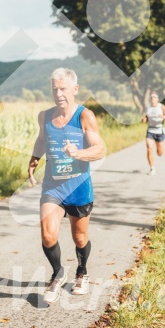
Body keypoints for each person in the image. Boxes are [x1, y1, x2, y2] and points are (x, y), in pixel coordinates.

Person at [27, 68, 105, 304]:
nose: (58, 93)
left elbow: (100, 148)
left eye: (63, 88)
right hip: (53, 186)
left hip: (79, 186)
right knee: (48, 234)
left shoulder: (85, 116)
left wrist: (79, 153)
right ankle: (57, 272)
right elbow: (42, 138)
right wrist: (35, 158)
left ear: (75, 89)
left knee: (79, 237)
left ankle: (82, 272)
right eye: (54, 88)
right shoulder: (44, 116)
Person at [142, 92, 165, 175]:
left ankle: (159, 150)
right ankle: (152, 168)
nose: (153, 99)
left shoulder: (162, 107)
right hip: (150, 131)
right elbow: (146, 117)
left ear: (158, 99)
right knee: (149, 148)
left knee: (160, 153)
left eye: (154, 97)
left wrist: (164, 117)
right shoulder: (148, 108)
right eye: (151, 97)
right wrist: (144, 119)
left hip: (159, 131)